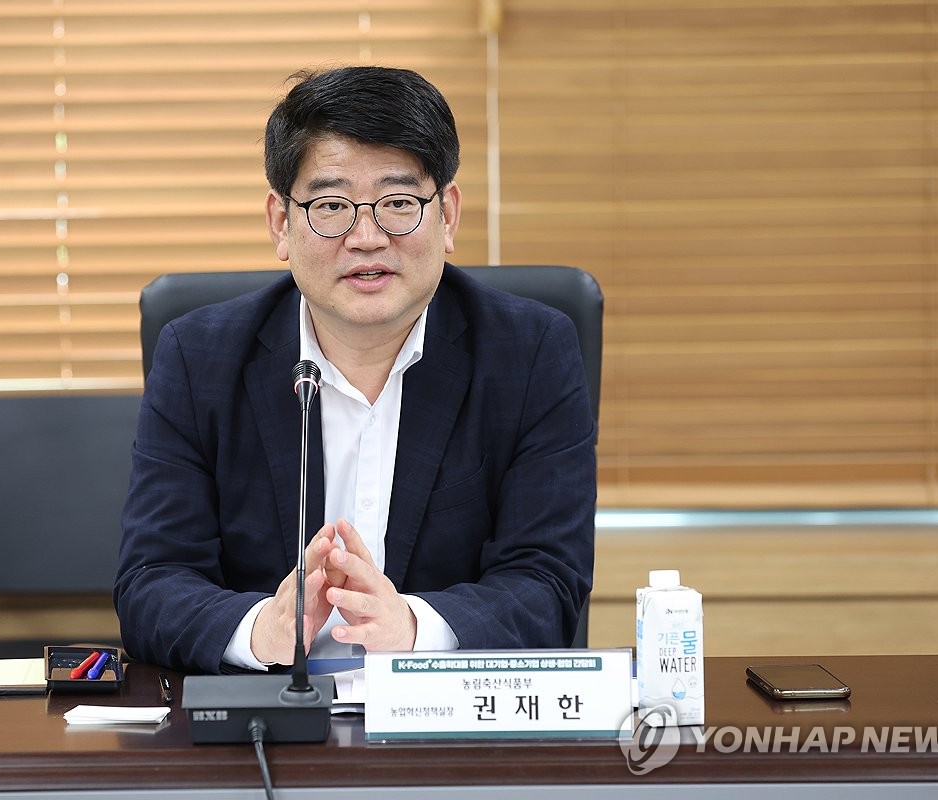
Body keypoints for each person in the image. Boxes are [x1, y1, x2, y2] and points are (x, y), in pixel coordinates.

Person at [115, 65, 596, 675]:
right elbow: (152, 580)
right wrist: (263, 630)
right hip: (267, 714)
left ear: (447, 215)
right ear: (281, 223)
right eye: (332, 206)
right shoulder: (197, 358)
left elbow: (548, 582)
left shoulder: (530, 352)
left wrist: (415, 630)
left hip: (444, 714)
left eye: (398, 203)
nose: (367, 237)